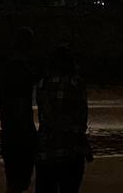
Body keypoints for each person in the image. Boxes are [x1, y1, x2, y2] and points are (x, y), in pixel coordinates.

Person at [35, 46, 89, 193]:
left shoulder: (42, 84)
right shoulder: (77, 83)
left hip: (46, 150)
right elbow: (82, 117)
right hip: (72, 150)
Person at [0, 28, 37, 193]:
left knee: (13, 182)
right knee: (20, 182)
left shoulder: (6, 69)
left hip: (8, 131)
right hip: (21, 134)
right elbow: (21, 106)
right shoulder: (23, 71)